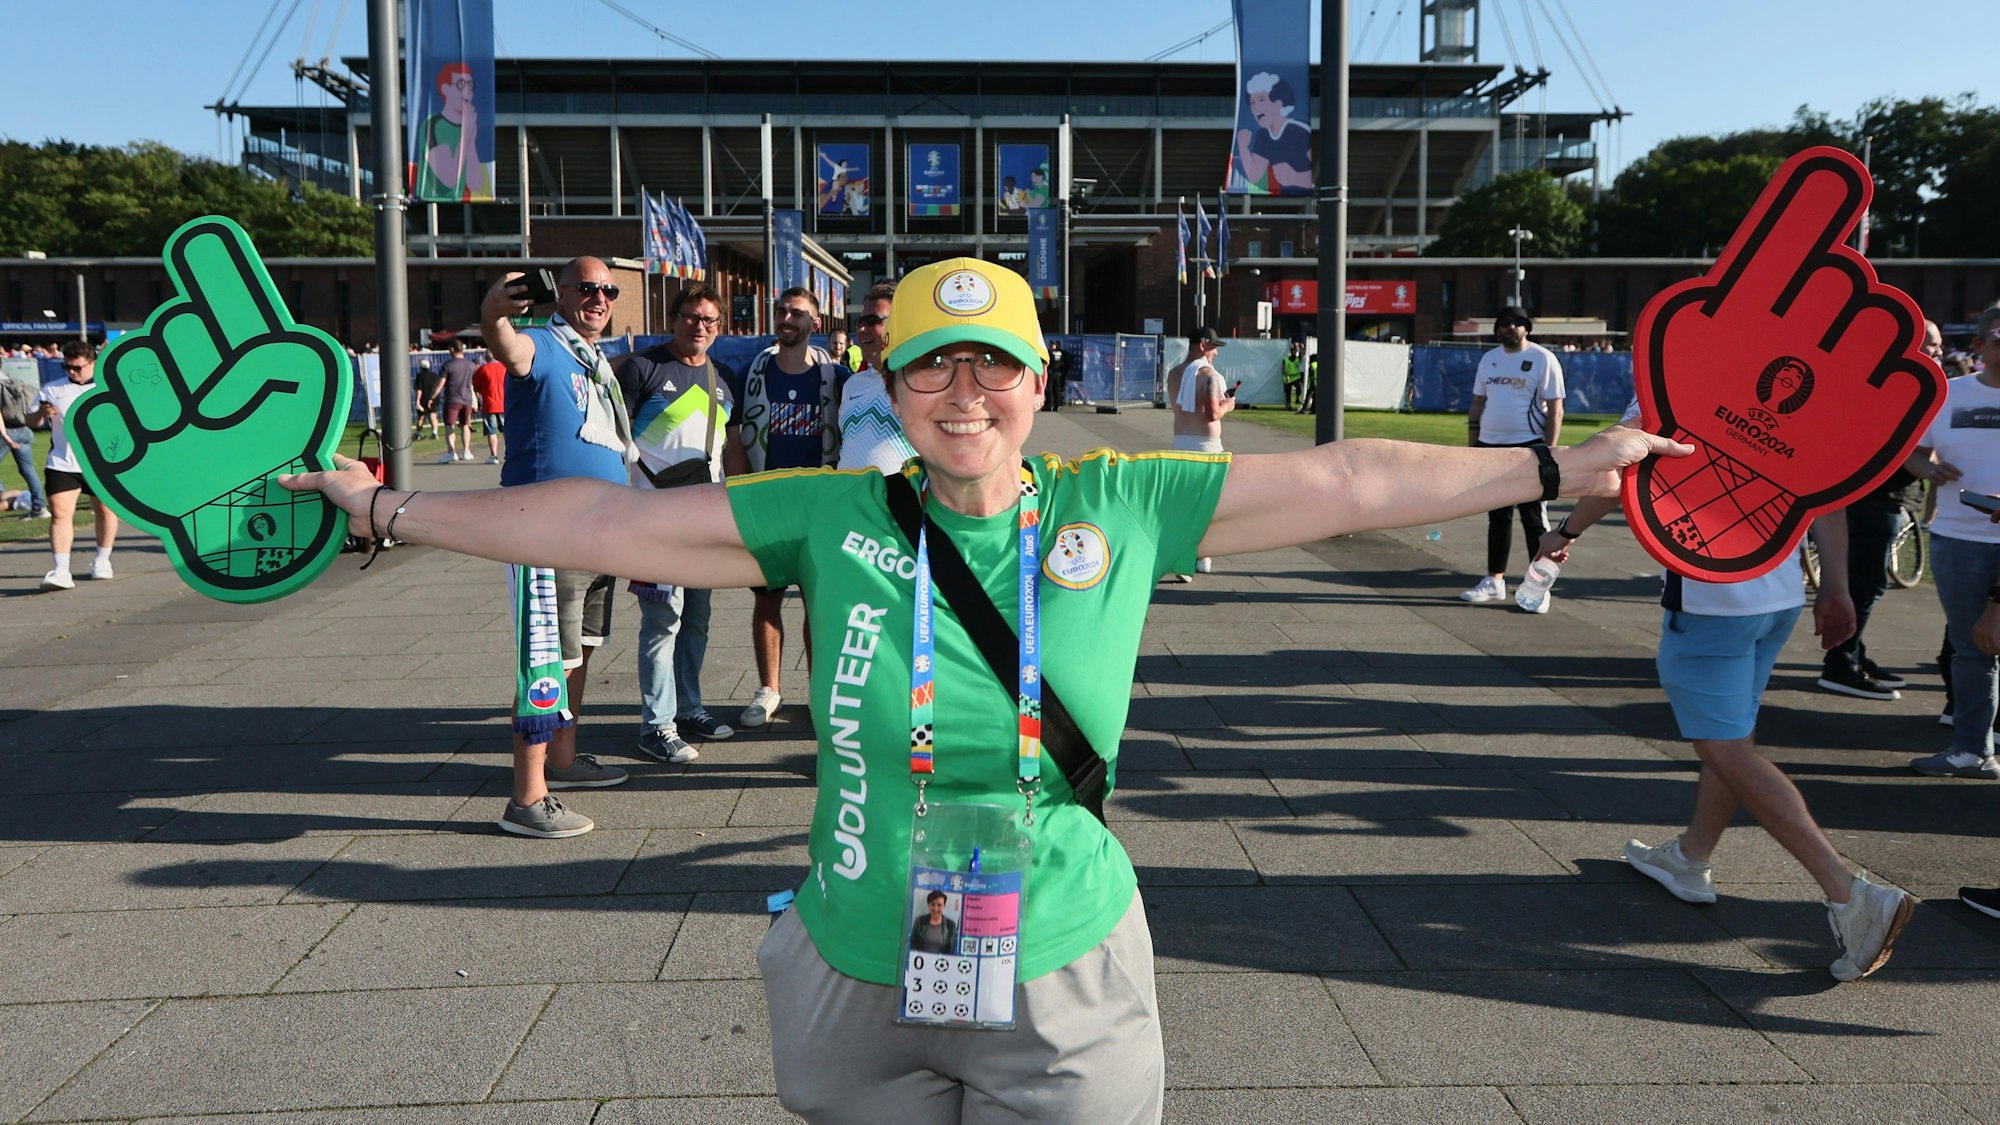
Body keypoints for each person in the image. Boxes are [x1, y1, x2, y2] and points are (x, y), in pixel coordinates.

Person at [283, 255, 1686, 1123]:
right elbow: (591, 528)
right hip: (852, 966)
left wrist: (1562, 468)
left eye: (995, 365)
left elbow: (1349, 477)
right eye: (933, 364)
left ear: (1037, 382)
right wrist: (398, 509)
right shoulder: (827, 515)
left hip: (1062, 961)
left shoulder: (1119, 504)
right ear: (889, 380)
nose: (966, 390)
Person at [1543, 402, 1915, 982]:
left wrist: (1564, 531)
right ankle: (1691, 857)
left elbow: (1615, 476)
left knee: (1725, 747)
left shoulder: (1672, 387)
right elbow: (1826, 497)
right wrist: (1836, 586)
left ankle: (1849, 893)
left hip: (1713, 597)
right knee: (1733, 735)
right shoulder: (1793, 391)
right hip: (1778, 591)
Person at [480, 256, 634, 838]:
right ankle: (528, 796)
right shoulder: (543, 344)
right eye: (588, 288)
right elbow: (506, 346)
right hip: (547, 530)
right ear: (562, 293)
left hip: (598, 531)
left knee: (582, 650)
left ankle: (563, 761)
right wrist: (494, 312)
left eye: (609, 290)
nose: (599, 298)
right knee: (544, 658)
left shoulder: (595, 360)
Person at [616, 284, 741, 762]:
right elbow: (614, 442)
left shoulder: (722, 375)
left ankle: (689, 708)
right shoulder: (642, 368)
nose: (700, 326)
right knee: (662, 623)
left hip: (704, 520)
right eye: (691, 317)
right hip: (654, 521)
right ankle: (656, 726)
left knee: (697, 621)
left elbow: (725, 452)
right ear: (674, 318)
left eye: (710, 320)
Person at [735, 286, 849, 730]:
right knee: (767, 601)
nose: (787, 318)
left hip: (819, 507)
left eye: (797, 312)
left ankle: (820, 691)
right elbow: (734, 434)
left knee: (818, 604)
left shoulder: (835, 376)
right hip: (769, 505)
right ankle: (769, 690)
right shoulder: (753, 371)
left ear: (814, 323)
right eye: (782, 310)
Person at [1816, 318, 1942, 701]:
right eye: (1929, 346)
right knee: (1865, 584)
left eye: (1937, 346)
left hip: (1887, 500)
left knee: (1867, 583)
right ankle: (1841, 663)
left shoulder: (1914, 388)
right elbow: (1900, 449)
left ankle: (1854, 652)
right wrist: (1934, 468)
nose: (1937, 353)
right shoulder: (1893, 389)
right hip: (1871, 502)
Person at [1906, 303, 2000, 781]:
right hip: (1959, 538)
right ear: (1980, 346)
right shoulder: (1946, 394)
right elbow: (1914, 455)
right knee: (1972, 648)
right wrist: (1929, 469)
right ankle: (1971, 750)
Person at [1460, 307, 1564, 609]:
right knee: (1497, 517)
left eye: (1518, 323)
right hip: (1490, 446)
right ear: (1497, 329)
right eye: (1505, 324)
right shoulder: (1489, 359)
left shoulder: (1543, 359)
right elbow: (1478, 402)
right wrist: (1472, 446)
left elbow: (1555, 409)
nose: (1511, 328)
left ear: (1527, 328)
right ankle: (1494, 580)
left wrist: (1549, 451)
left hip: (1529, 448)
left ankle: (1539, 587)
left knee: (1533, 520)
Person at [30, 342, 120, 590]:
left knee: (105, 511)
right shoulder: (52, 389)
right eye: (67, 366)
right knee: (60, 513)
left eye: (77, 367)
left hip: (101, 463)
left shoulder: (109, 387)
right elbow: (30, 421)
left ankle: (102, 561)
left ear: (92, 363)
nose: (71, 371)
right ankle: (61, 571)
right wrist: (41, 413)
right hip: (62, 462)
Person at [1169, 328, 1236, 578]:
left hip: (1181, 441)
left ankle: (1184, 557)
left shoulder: (1174, 374)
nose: (1216, 353)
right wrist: (1228, 405)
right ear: (1202, 345)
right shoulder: (1208, 375)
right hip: (1207, 445)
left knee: (1186, 504)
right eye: (1213, 347)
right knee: (1210, 505)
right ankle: (1201, 555)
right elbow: (1212, 414)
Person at [835, 280, 918, 476]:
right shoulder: (852, 384)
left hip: (899, 503)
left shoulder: (918, 381)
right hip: (848, 502)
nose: (862, 329)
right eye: (860, 322)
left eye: (872, 320)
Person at [1232, 71, 1313, 195]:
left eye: (1261, 100)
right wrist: (1243, 148)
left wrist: (1295, 177)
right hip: (1285, 197)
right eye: (1252, 102)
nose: (1255, 107)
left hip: (1311, 202)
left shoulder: (1298, 131)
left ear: (1278, 103)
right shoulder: (1263, 135)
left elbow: (1321, 173)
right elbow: (1254, 175)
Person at [417, 62, 489, 200]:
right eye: (461, 84)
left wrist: (470, 140)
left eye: (470, 85)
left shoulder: (467, 126)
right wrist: (466, 136)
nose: (467, 90)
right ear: (445, 89)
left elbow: (476, 184)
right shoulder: (432, 125)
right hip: (432, 204)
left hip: (459, 203)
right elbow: (449, 178)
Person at [0, 369, 48, 518]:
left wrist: (5, 436)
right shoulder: (16, 383)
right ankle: (39, 507)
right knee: (28, 471)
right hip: (24, 429)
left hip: (6, 430)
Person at [437, 340, 481, 464]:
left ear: (452, 349)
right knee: (465, 425)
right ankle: (466, 451)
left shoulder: (448, 365)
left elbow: (441, 384)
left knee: (449, 425)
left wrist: (432, 396)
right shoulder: (471, 365)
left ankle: (451, 452)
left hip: (452, 398)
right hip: (466, 398)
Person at [473, 351, 506, 465]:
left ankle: (494, 455)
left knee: (491, 431)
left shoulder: (483, 369)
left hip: (489, 404)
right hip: (504, 403)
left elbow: (476, 385)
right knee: (505, 430)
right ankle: (509, 454)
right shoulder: (504, 367)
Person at [413, 357, 443, 442]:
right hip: (433, 398)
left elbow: (419, 389)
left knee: (421, 417)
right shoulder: (434, 375)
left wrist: (418, 400)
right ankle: (435, 432)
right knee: (433, 415)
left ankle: (418, 432)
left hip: (424, 398)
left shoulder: (419, 376)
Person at [1281, 341, 1304, 411]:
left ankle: (1297, 398)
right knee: (1288, 392)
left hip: (1296, 377)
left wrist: (1301, 348)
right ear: (1291, 352)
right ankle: (1288, 405)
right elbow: (1284, 370)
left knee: (1300, 388)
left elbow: (1302, 355)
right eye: (1294, 351)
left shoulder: (1298, 359)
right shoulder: (1286, 360)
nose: (1295, 352)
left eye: (1295, 351)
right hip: (1288, 377)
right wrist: (1286, 376)